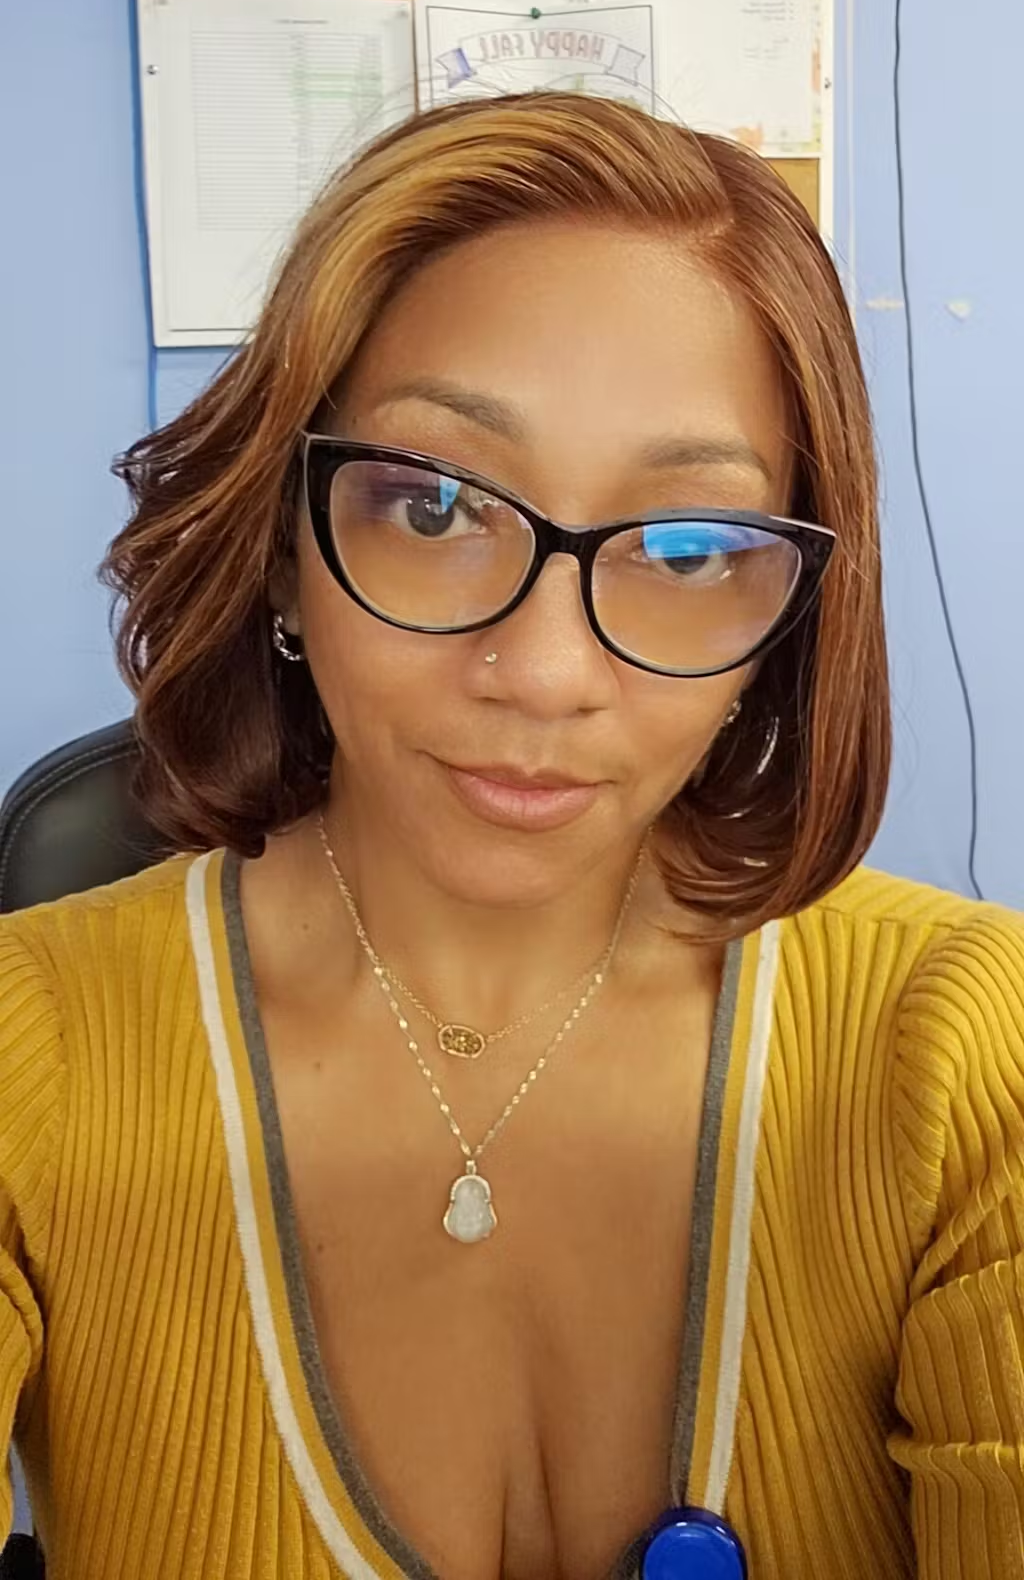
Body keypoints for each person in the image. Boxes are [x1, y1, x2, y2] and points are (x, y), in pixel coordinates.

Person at [1, 93, 1022, 1580]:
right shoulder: (26, 1053)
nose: (544, 674)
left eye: (691, 546)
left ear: (787, 624)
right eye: (433, 508)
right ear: (282, 547)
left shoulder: (972, 1052)